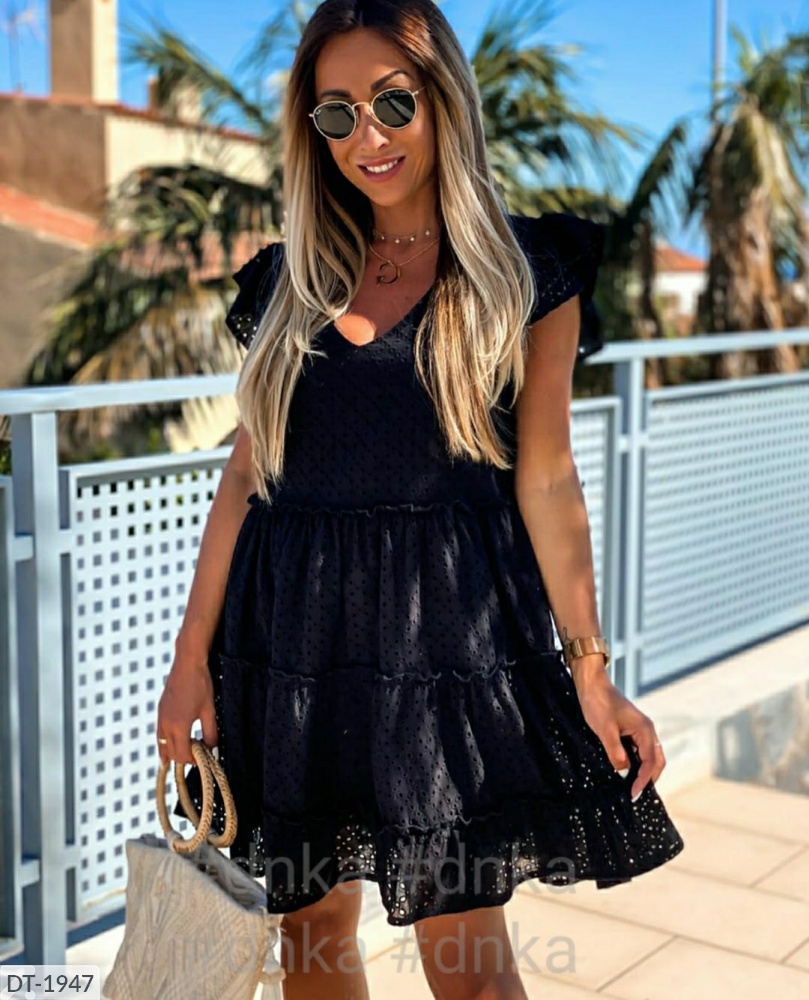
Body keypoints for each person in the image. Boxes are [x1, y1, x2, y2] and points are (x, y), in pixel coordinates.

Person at [157, 1, 685, 997]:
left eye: (392, 102)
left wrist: (590, 670)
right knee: (311, 933)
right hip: (290, 647)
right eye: (336, 114)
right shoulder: (287, 282)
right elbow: (244, 480)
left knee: (468, 963)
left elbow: (546, 477)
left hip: (442, 649)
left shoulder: (524, 273)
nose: (368, 135)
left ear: (442, 98)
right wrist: (188, 664)